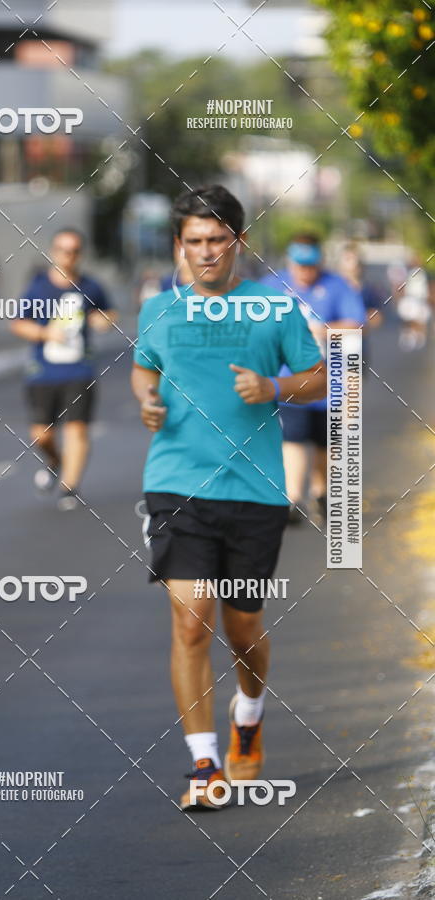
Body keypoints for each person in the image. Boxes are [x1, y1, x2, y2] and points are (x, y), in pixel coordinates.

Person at [132, 186, 327, 810]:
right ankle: (204, 766)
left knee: (243, 628)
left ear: (238, 243)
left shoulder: (275, 308)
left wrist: (272, 384)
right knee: (192, 622)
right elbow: (144, 365)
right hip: (175, 483)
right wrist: (147, 398)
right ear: (178, 246)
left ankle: (249, 713)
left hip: (255, 490)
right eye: (195, 242)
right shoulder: (158, 310)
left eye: (218, 240)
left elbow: (319, 375)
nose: (206, 253)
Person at [10, 228, 118, 510]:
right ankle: (55, 461)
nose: (68, 256)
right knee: (41, 434)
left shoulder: (91, 287)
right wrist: (46, 334)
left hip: (79, 370)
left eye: (74, 251)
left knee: (77, 430)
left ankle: (70, 487)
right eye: (62, 250)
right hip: (43, 371)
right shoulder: (38, 287)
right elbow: (19, 322)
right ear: (53, 252)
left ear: (80, 254)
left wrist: (102, 320)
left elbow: (108, 312)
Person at [262, 235, 365, 525]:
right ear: (290, 261)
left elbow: (356, 324)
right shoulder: (272, 286)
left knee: (326, 442)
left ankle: (322, 494)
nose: (305, 271)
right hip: (289, 379)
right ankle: (293, 499)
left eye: (310, 265)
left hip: (331, 381)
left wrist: (323, 329)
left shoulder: (337, 285)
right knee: (293, 437)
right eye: (299, 265)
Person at [393, 256, 431, 351]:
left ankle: (419, 337)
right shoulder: (410, 273)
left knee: (420, 319)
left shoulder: (424, 274)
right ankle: (409, 336)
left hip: (420, 300)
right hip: (410, 299)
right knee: (410, 319)